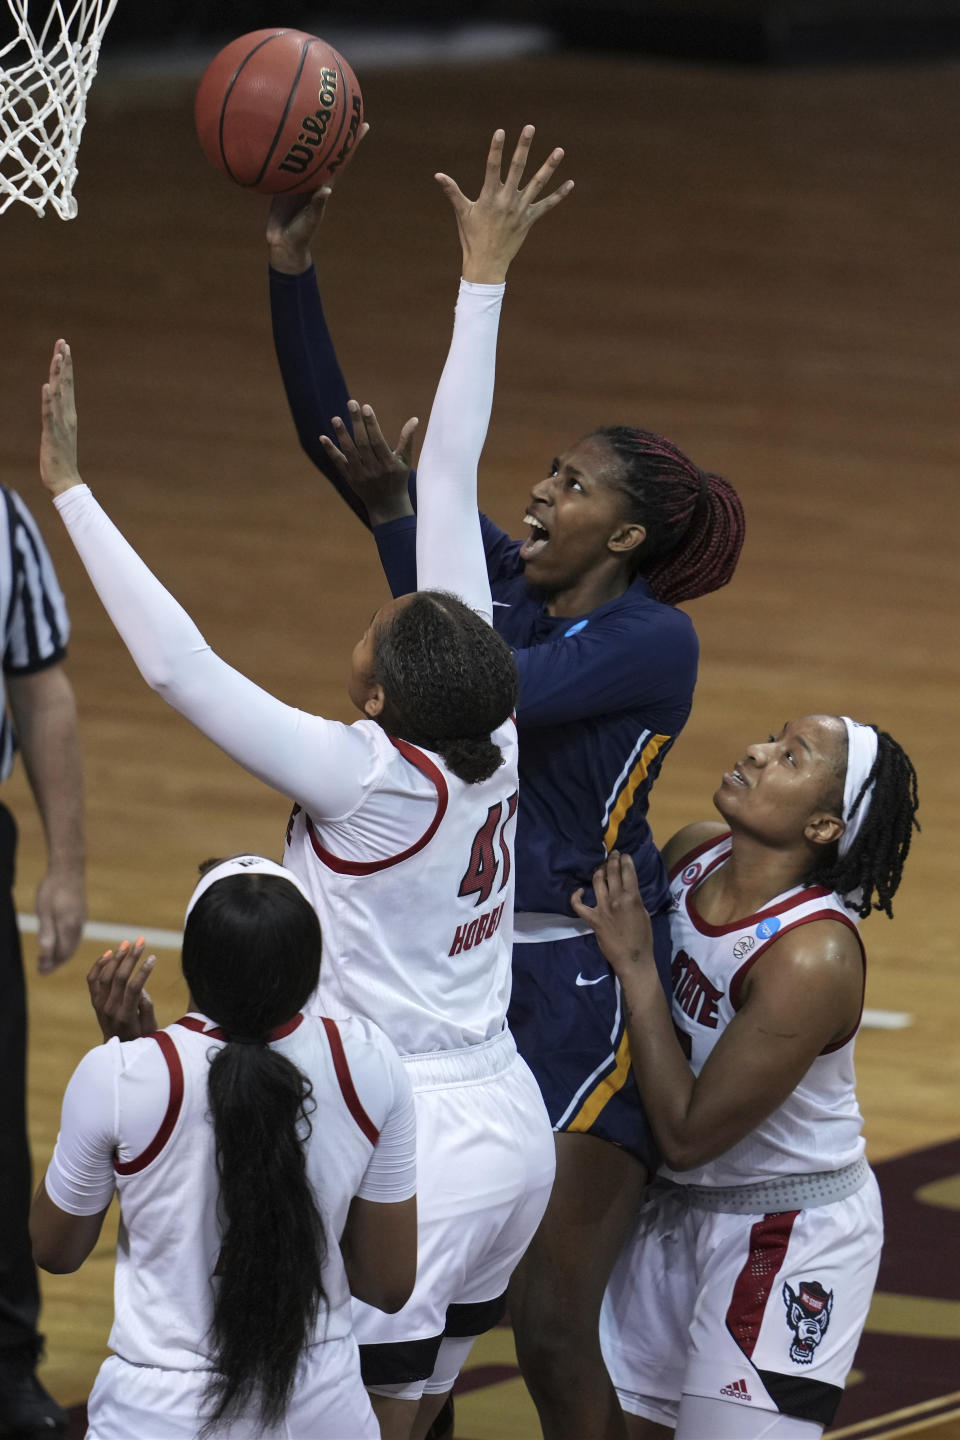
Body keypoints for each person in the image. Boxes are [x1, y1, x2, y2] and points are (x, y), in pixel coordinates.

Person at [38, 128, 568, 1440]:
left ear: (381, 693)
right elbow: (443, 476)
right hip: (501, 1114)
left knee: (361, 1413)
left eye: (376, 637)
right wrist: (482, 270)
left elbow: (181, 671)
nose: (377, 618)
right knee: (414, 1405)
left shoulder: (371, 775)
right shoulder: (482, 729)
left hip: (419, 1132)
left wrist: (73, 492)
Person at [265, 164, 746, 1440]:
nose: (539, 494)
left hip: (583, 986)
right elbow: (345, 443)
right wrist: (291, 270)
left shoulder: (655, 642)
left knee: (541, 1319)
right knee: (422, 1314)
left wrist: (401, 518)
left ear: (630, 537)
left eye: (573, 486)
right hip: (469, 988)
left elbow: (470, 693)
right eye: (542, 471)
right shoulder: (510, 590)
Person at [567, 715, 919, 1439]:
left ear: (823, 825)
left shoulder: (811, 956)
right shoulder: (695, 850)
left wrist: (638, 966)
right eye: (772, 738)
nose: (757, 752)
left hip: (784, 1232)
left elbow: (691, 1135)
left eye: (791, 757)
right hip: (670, 1212)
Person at [29, 854, 418, 1438]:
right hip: (321, 1407)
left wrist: (127, 1062)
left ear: (192, 965)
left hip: (157, 1417)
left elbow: (55, 1249)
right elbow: (387, 1284)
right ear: (309, 967)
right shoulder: (369, 1060)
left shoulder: (121, 1076)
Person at [0, 486, 85, 1440]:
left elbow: (41, 688)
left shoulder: (4, 526)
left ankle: (5, 1360)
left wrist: (66, 866)